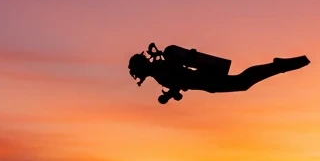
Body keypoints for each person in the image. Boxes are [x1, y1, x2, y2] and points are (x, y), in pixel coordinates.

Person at [128, 43, 310, 104]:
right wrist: (172, 93)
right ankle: (277, 67)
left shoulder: (159, 70)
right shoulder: (158, 70)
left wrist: (169, 95)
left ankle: (277, 66)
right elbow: (178, 79)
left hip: (205, 80)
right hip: (204, 81)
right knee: (242, 82)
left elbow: (177, 77)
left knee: (243, 82)